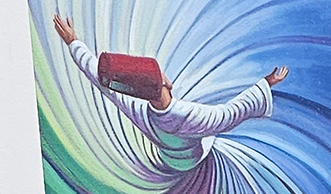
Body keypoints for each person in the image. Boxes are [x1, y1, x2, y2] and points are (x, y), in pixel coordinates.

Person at [51, 14, 289, 166]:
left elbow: (98, 78)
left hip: (170, 160)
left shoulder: (140, 109)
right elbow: (229, 114)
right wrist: (265, 83)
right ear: (163, 82)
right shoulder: (189, 116)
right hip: (194, 160)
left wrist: (73, 42)